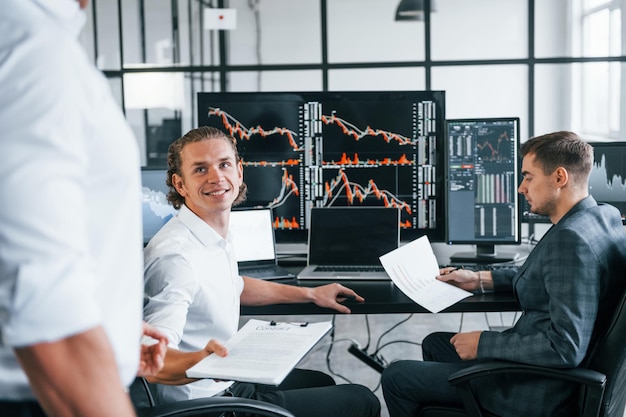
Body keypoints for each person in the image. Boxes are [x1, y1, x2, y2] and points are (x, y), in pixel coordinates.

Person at [382, 131, 626, 417]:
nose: (521, 188)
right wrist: (480, 279)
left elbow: (564, 347)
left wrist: (484, 343)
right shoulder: (603, 216)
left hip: (539, 391)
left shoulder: (570, 241)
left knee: (397, 376)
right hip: (558, 376)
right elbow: (552, 276)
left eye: (528, 176)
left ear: (559, 177)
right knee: (436, 344)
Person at [0, 1, 167, 416]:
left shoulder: (38, 39)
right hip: (45, 395)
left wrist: (114, 324)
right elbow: (43, 308)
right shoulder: (33, 47)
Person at [143, 126, 381, 417]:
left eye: (224, 165)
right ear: (180, 185)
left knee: (320, 382)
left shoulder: (208, 233)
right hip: (204, 406)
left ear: (239, 172)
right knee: (360, 400)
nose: (216, 177)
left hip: (227, 381)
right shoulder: (175, 257)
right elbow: (154, 362)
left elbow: (234, 285)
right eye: (201, 169)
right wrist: (207, 361)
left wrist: (310, 293)